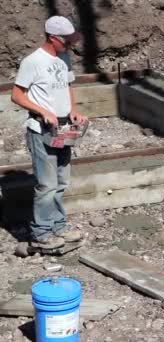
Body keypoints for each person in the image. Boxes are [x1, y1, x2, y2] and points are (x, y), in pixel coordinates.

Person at [11, 16, 87, 250]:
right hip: (41, 129)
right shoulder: (33, 61)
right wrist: (42, 111)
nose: (70, 45)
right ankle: (42, 231)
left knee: (61, 180)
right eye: (67, 41)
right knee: (46, 184)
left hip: (63, 128)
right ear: (53, 37)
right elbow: (17, 95)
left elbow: (67, 86)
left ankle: (58, 225)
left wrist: (73, 110)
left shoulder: (64, 58)